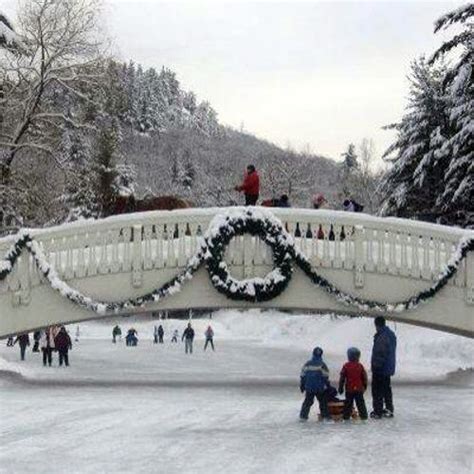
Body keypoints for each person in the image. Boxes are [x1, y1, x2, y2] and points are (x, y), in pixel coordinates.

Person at [371, 316, 397, 419]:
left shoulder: (382, 336)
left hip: (381, 368)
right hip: (388, 368)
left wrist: (376, 366)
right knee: (386, 389)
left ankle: (378, 411)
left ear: (376, 325)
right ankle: (389, 409)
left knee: (377, 390)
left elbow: (380, 353)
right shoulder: (390, 334)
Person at [299, 347, 331, 421]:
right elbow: (326, 376)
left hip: (309, 387)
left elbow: (303, 375)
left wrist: (302, 385)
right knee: (323, 402)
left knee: (307, 402)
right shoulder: (322, 364)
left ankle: (303, 417)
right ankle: (325, 417)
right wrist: (327, 385)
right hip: (319, 388)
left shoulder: (307, 364)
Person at [338, 347, 368, 421]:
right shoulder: (360, 366)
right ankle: (364, 416)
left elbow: (342, 378)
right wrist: (364, 386)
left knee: (348, 404)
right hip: (359, 389)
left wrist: (340, 387)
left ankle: (346, 417)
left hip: (349, 389)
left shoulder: (346, 366)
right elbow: (364, 378)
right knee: (361, 404)